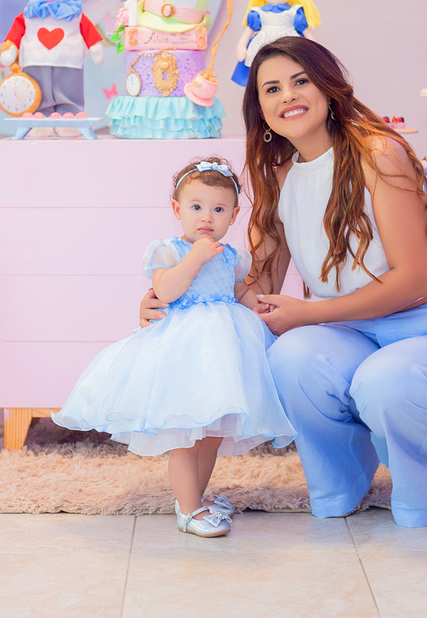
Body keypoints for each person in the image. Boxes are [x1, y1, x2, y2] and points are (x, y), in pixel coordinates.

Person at [142, 37, 427, 527]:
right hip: (353, 333)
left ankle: (423, 494)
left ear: (328, 87)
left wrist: (309, 313)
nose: (287, 95)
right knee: (290, 358)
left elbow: (415, 277)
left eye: (300, 81)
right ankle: (343, 483)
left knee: (389, 380)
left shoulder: (379, 153)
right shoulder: (278, 177)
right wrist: (165, 295)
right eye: (271, 88)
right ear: (261, 109)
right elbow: (249, 286)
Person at [54, 157, 294, 538]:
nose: (206, 217)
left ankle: (197, 498)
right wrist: (197, 255)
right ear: (176, 210)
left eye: (218, 209)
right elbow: (166, 291)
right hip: (184, 348)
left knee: (212, 433)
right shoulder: (167, 250)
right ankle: (186, 510)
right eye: (196, 207)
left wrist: (259, 308)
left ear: (233, 216)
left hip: (223, 351)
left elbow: (240, 291)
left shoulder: (231, 255)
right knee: (186, 433)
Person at [231, 0, 321, 88]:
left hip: (289, 44)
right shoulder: (257, 12)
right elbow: (248, 32)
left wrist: (314, 50)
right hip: (262, 46)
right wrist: (241, 47)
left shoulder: (295, 12)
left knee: (291, 70)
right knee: (263, 74)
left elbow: (307, 33)